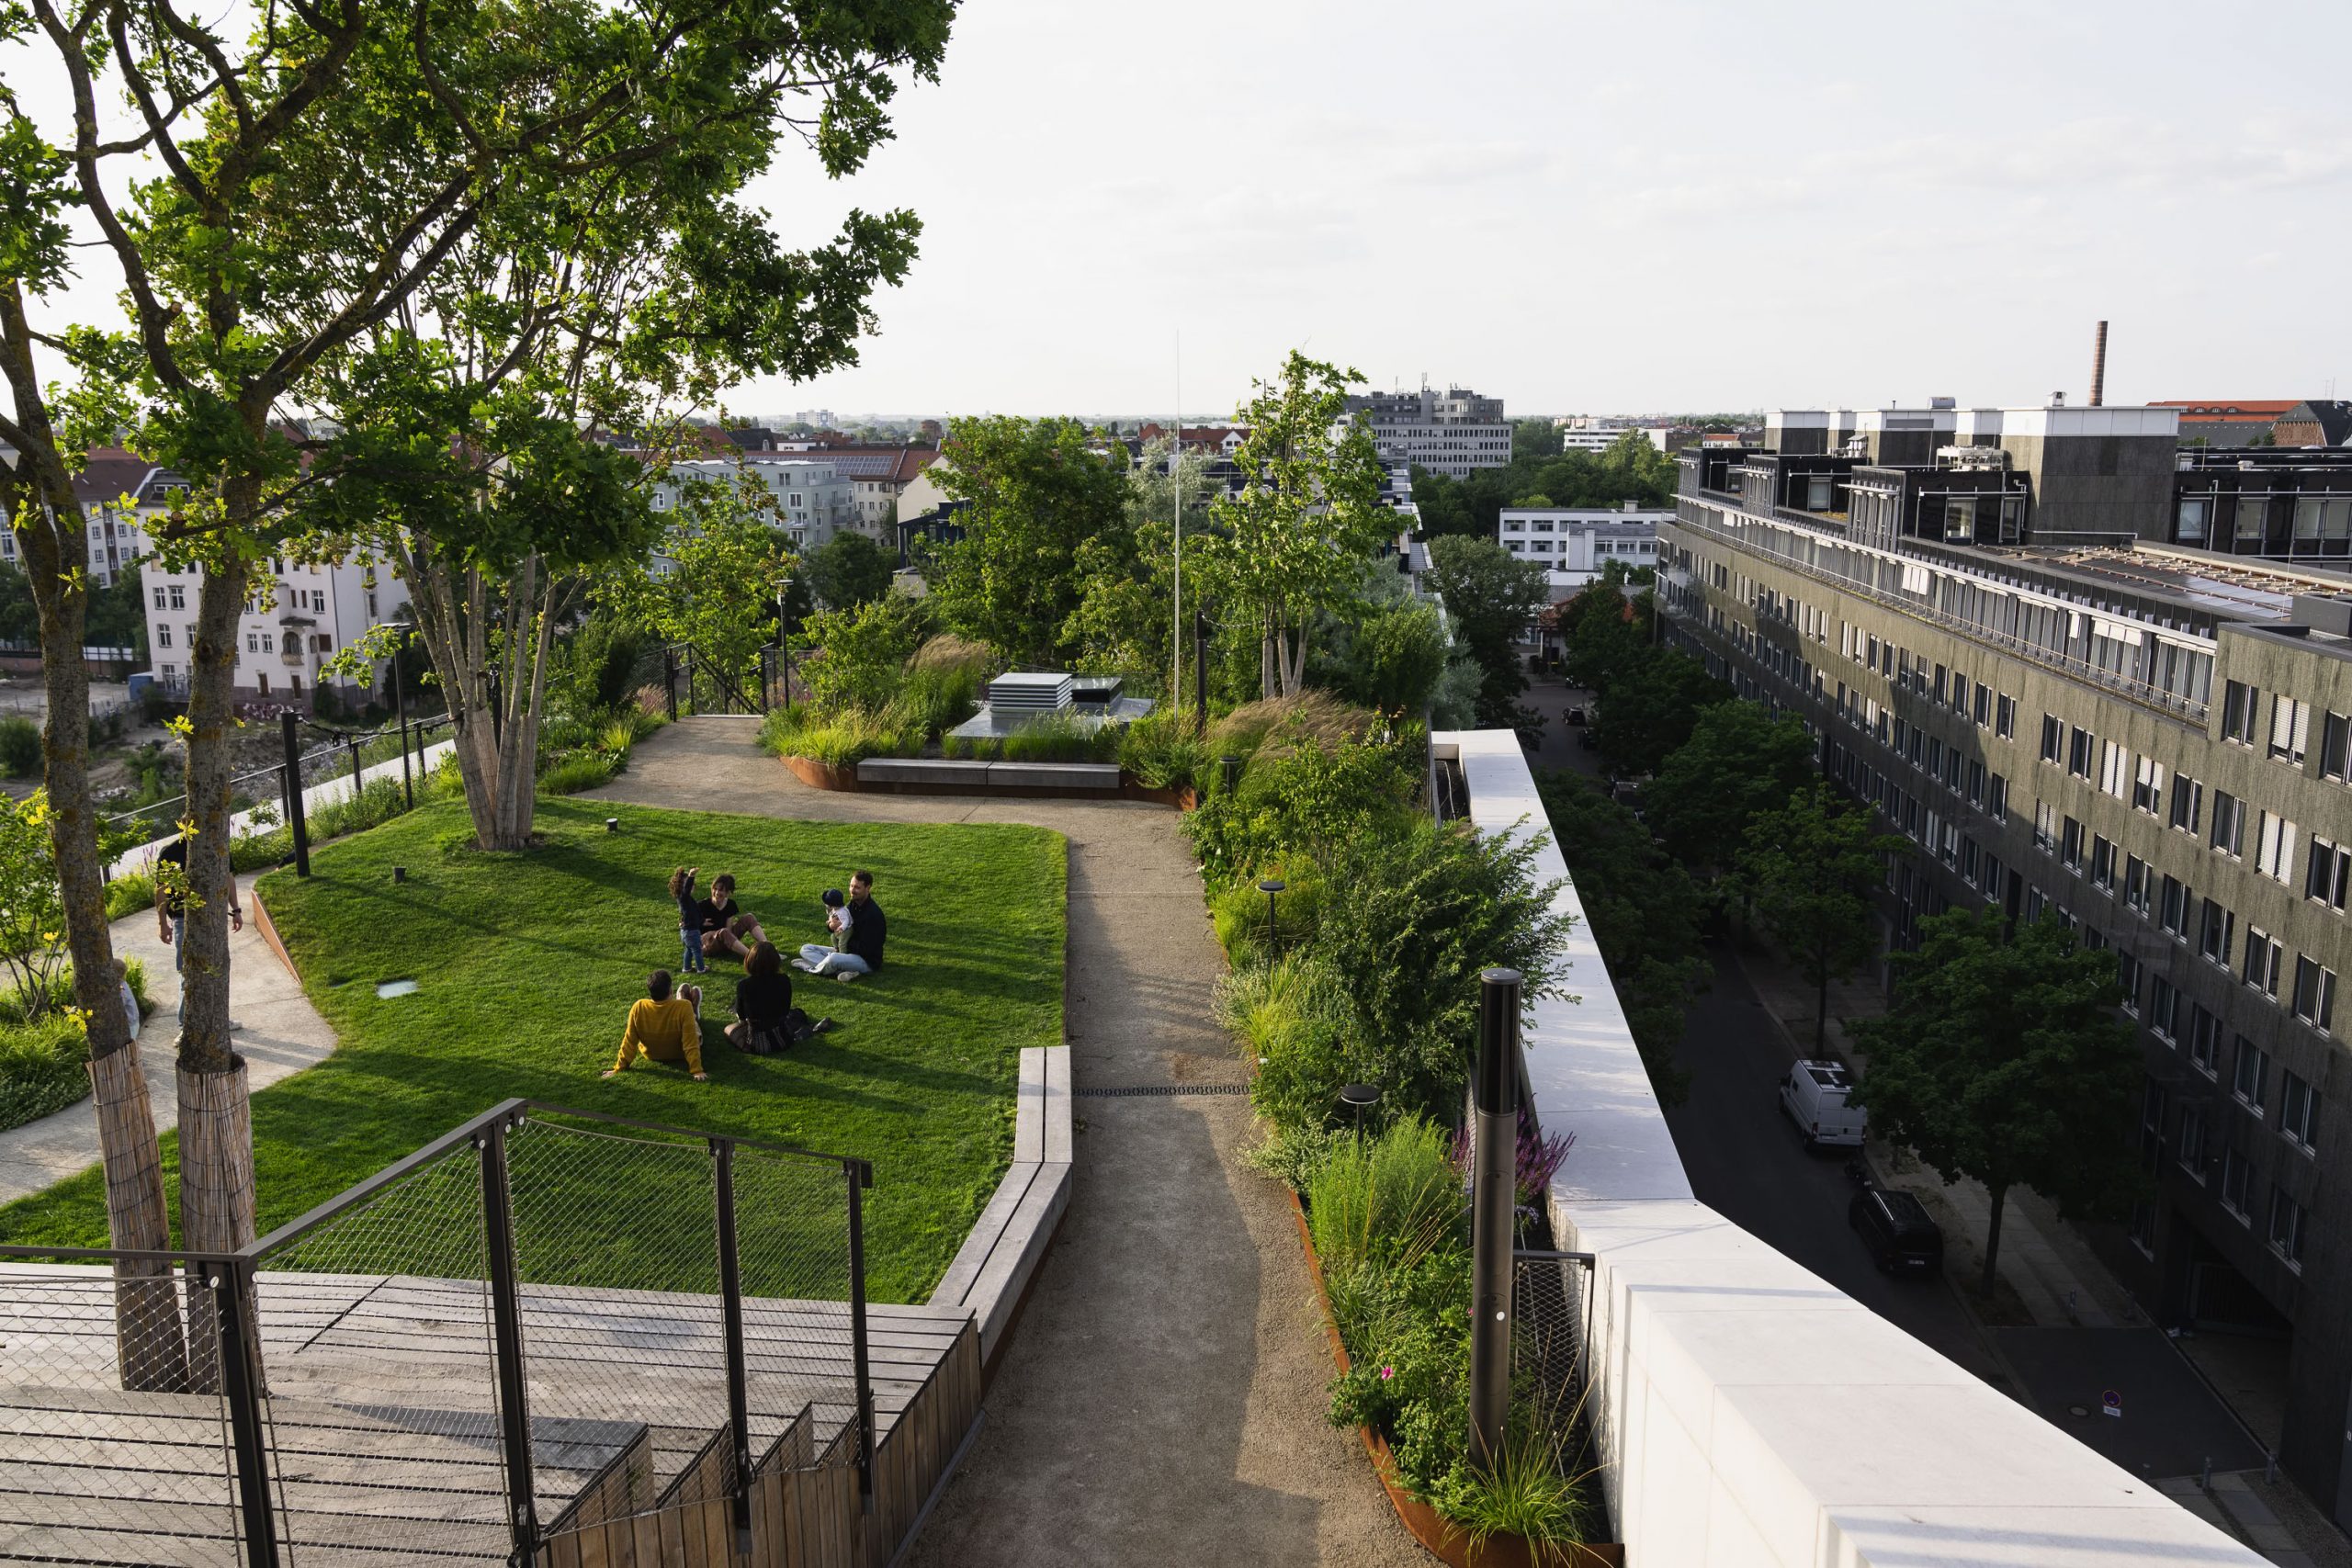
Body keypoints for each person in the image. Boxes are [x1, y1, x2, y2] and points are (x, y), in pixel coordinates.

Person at [602, 970, 707, 1080]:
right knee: (693, 1025)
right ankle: (691, 1009)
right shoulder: (684, 1007)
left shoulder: (639, 1006)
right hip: (679, 1054)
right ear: (670, 990)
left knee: (686, 1015)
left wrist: (619, 1068)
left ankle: (682, 999)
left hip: (651, 1055)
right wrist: (696, 1070)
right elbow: (690, 1041)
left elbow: (629, 1041)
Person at [730, 941, 833, 1053]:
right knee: (797, 1014)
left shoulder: (744, 985)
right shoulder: (784, 980)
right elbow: (785, 1010)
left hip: (758, 1044)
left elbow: (742, 1018)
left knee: (728, 1029)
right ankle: (807, 1030)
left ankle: (805, 1031)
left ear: (750, 961)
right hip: (784, 1039)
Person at [797, 870, 884, 980]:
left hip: (866, 960)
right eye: (851, 886)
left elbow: (867, 949)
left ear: (868, 888)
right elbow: (838, 925)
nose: (852, 890)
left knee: (833, 958)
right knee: (806, 949)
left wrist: (842, 945)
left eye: (857, 887)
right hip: (846, 950)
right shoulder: (852, 905)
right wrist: (831, 926)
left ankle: (809, 968)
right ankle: (845, 971)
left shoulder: (873, 915)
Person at [696, 873, 766, 964]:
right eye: (715, 889)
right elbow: (687, 926)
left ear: (728, 893)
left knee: (749, 917)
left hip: (726, 938)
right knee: (724, 932)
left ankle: (768, 948)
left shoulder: (730, 904)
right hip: (706, 945)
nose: (717, 893)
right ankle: (753, 957)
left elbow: (728, 930)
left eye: (721, 890)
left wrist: (715, 932)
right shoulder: (701, 905)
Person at [670, 866, 707, 975]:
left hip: (687, 931)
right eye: (687, 884)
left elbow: (694, 913)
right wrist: (691, 876)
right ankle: (701, 969)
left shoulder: (686, 899)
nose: (692, 885)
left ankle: (686, 968)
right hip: (691, 931)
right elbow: (686, 889)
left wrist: (702, 921)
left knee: (689, 950)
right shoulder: (683, 897)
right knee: (697, 950)